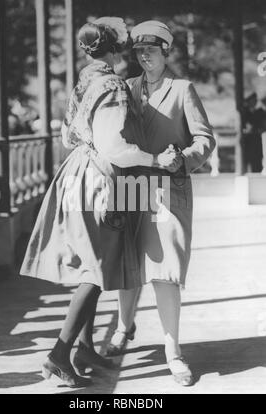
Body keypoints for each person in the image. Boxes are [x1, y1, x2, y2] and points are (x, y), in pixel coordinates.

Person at [20, 17, 172, 388]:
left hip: (79, 173)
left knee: (96, 262)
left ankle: (84, 347)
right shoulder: (114, 84)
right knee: (98, 268)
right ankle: (59, 354)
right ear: (117, 47)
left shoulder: (84, 81)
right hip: (104, 180)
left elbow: (66, 136)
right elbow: (115, 147)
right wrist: (154, 160)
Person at [106, 20, 216, 387]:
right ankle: (124, 329)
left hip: (169, 185)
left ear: (166, 51)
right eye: (138, 51)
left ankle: (173, 352)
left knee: (165, 271)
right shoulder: (125, 88)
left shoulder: (183, 88)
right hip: (131, 183)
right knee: (127, 263)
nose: (143, 57)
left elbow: (205, 139)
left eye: (151, 50)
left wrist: (183, 158)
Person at [242, 92, 263, 173]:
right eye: (251, 100)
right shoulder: (244, 113)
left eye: (255, 100)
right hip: (247, 144)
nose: (254, 102)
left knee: (257, 164)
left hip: (257, 144)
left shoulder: (260, 112)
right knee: (246, 164)